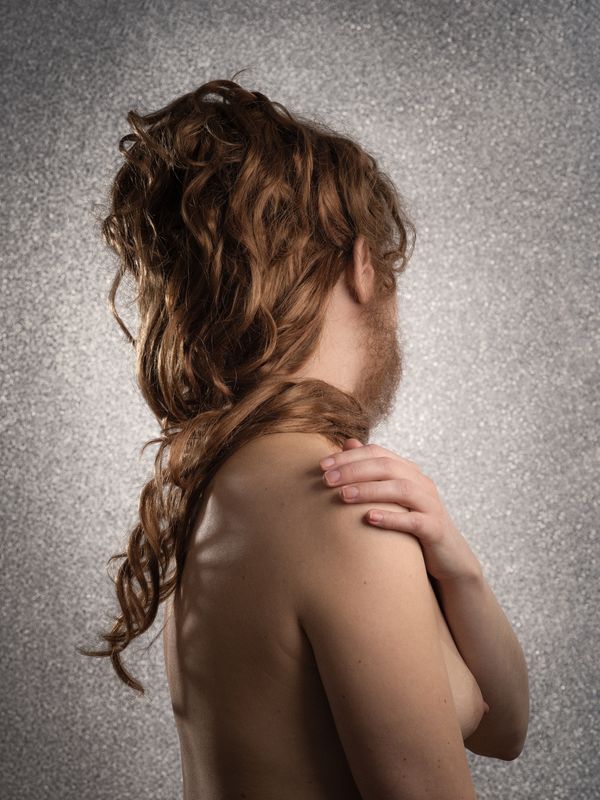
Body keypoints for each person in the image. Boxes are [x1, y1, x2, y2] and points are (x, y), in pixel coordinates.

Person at [79, 73, 529, 799]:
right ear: (361, 266)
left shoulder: (226, 488)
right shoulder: (337, 507)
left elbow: (504, 732)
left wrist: (459, 570)